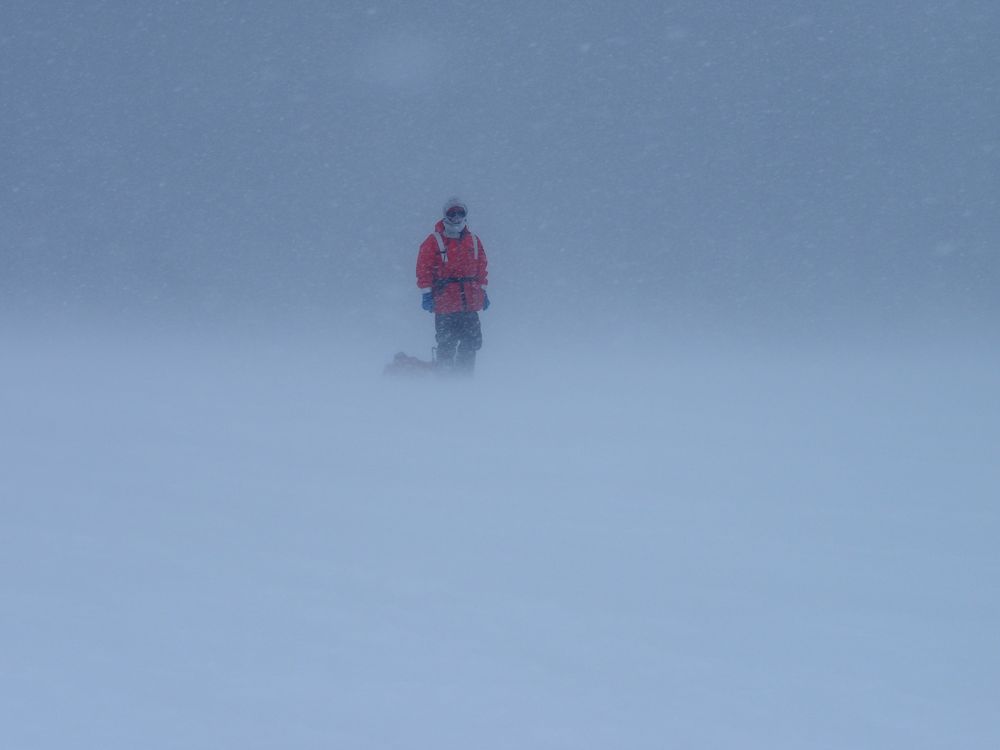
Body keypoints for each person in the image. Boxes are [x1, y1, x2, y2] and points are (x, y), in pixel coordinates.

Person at [416, 196, 489, 374]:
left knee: (471, 342)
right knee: (446, 344)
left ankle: (464, 380)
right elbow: (423, 268)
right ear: (445, 215)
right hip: (445, 304)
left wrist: (483, 291)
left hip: (470, 304)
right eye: (452, 213)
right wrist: (426, 293)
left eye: (460, 212)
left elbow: (481, 268)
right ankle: (445, 384)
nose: (456, 217)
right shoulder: (434, 241)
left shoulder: (473, 240)